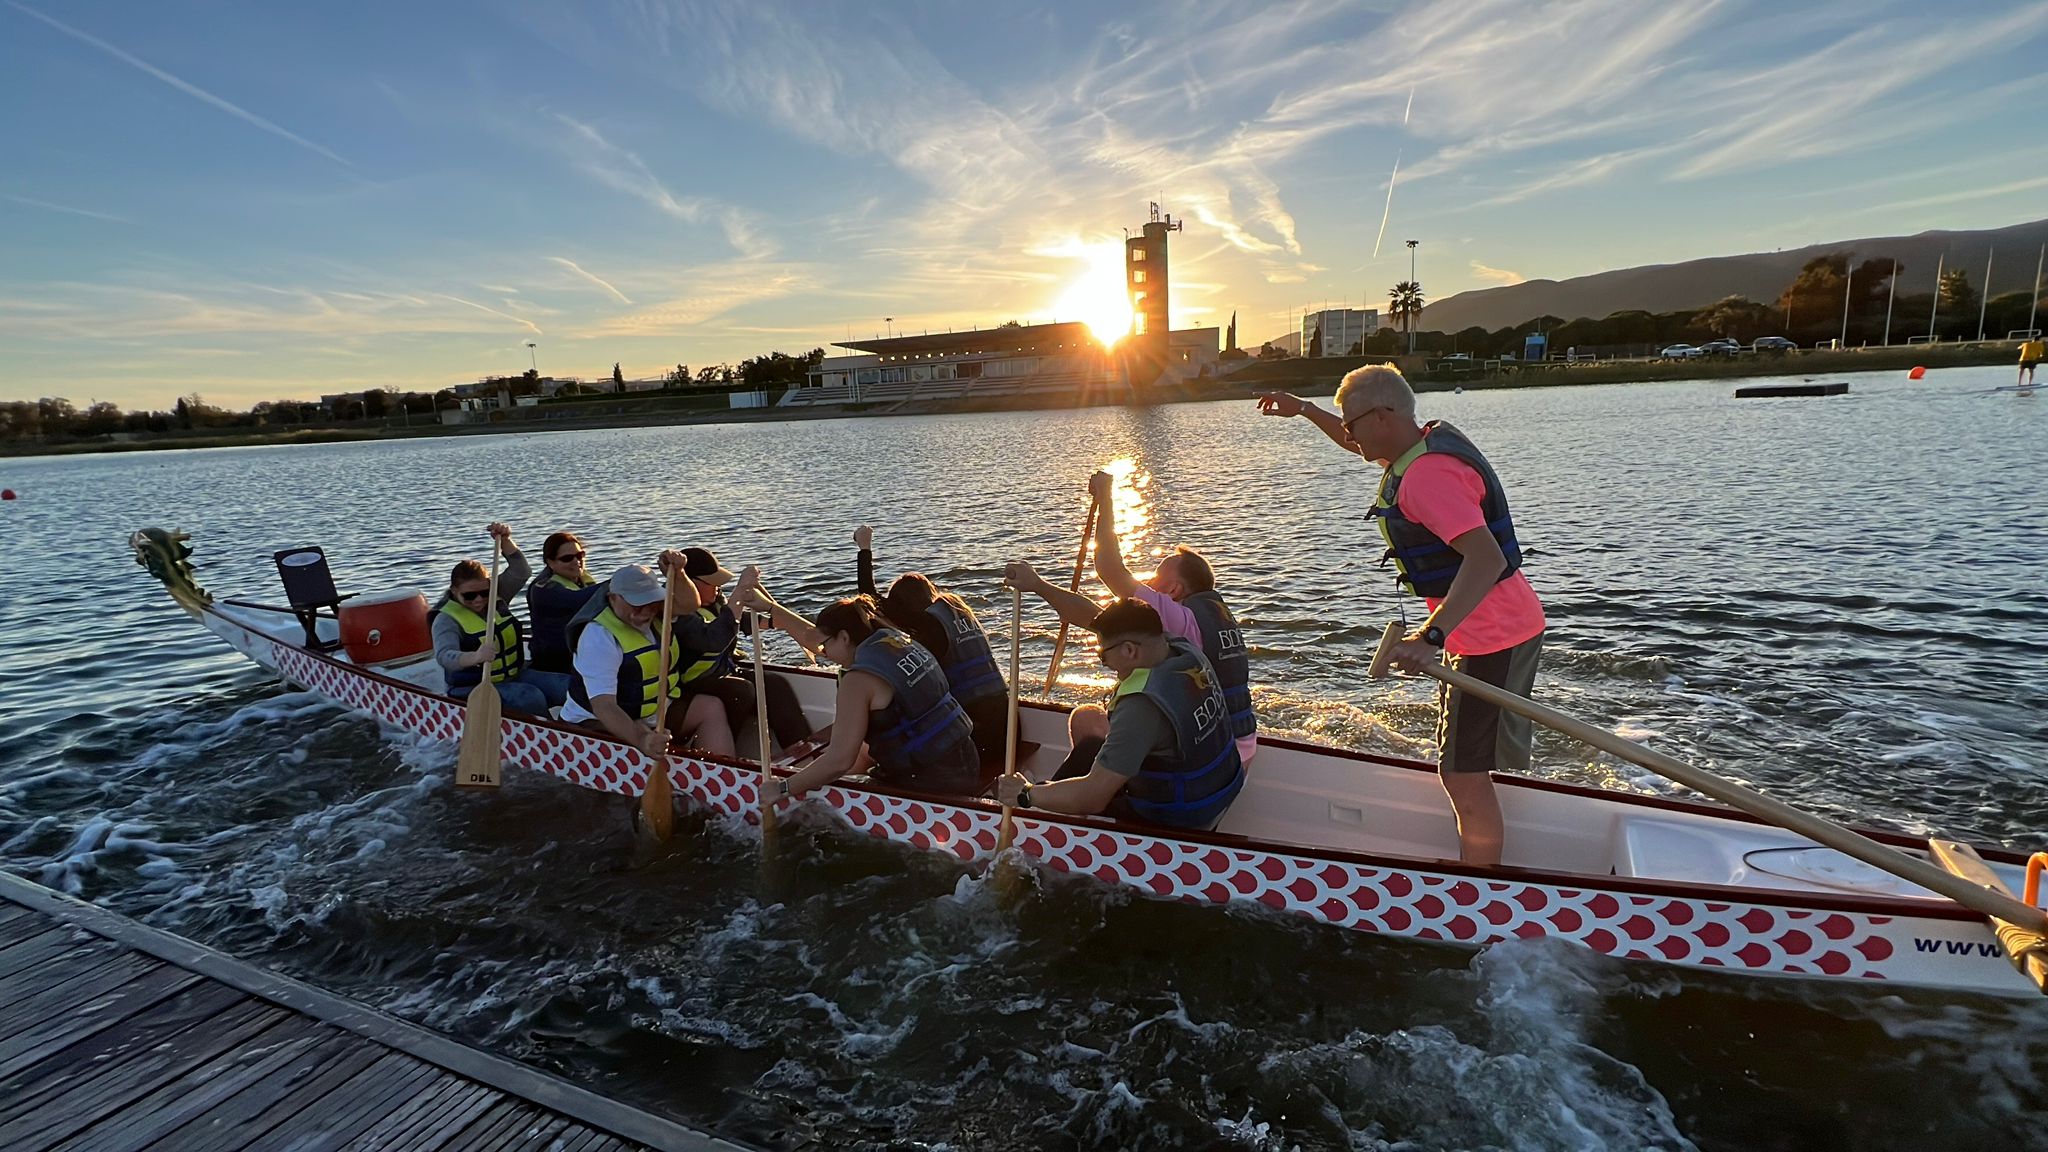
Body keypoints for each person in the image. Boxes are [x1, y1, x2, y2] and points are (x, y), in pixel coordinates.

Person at [1258, 365, 1545, 867]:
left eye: (1352, 423)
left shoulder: (1427, 479)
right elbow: (1357, 445)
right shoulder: (1421, 446)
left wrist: (1430, 637)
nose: (1348, 434)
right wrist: (1303, 410)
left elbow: (1486, 559)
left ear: (1384, 416)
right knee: (1465, 763)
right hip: (1486, 627)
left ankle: (1482, 887)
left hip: (1492, 634)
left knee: (1462, 773)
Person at [1005, 470, 1257, 766]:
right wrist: (1037, 584)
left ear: (1174, 590)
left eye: (1156, 576)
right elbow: (1095, 618)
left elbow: (1109, 569)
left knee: (1088, 724)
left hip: (1204, 754)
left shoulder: (1181, 619)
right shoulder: (1211, 618)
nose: (1147, 582)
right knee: (1093, 718)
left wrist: (1106, 496)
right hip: (1236, 750)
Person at [992, 598, 1243, 830]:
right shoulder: (1182, 650)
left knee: (1057, 794)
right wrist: (1037, 585)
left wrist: (1026, 794)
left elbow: (1092, 799)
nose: (1105, 664)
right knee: (1089, 741)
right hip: (1220, 789)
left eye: (1103, 655)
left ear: (1129, 650)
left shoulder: (1141, 707)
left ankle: (1038, 825)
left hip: (1174, 819)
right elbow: (1105, 622)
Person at [742, 586, 981, 798]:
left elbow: (839, 761)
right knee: (864, 753)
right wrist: (771, 608)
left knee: (819, 800)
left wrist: (783, 788)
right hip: (967, 764)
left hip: (931, 783)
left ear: (844, 637)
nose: (824, 653)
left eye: (825, 645)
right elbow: (813, 637)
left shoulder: (857, 681)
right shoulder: (896, 641)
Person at [855, 525, 1011, 765]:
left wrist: (864, 549)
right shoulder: (957, 610)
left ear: (904, 607)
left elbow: (870, 599)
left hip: (978, 736)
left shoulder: (928, 623)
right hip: (1008, 724)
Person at [561, 558, 734, 759]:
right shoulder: (598, 637)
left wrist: (679, 572)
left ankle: (721, 768)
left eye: (650, 603)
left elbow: (689, 605)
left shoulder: (659, 611)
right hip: (595, 721)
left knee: (711, 707)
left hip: (651, 712)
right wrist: (642, 739)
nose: (645, 612)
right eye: (636, 604)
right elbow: (604, 705)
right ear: (613, 598)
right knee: (639, 729)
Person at [671, 547, 814, 751]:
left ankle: (801, 750)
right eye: (712, 583)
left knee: (774, 684)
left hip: (719, 672)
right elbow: (713, 639)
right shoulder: (676, 612)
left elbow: (733, 619)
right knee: (740, 691)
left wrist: (776, 621)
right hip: (691, 683)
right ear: (690, 583)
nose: (718, 588)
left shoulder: (713, 600)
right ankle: (719, 752)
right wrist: (739, 591)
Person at [433, 522, 571, 716]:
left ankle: (586, 724)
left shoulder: (496, 596)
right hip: (473, 687)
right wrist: (475, 657)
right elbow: (444, 656)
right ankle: (548, 729)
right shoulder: (446, 619)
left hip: (515, 674)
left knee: (567, 685)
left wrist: (505, 541)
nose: (479, 600)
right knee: (529, 697)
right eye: (469, 596)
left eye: (484, 592)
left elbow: (521, 571)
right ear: (455, 591)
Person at [525, 531, 601, 674]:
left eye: (580, 555)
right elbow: (575, 600)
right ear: (550, 562)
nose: (576, 561)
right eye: (567, 558)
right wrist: (619, 581)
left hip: (583, 659)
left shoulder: (582, 580)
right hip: (554, 668)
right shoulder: (543, 589)